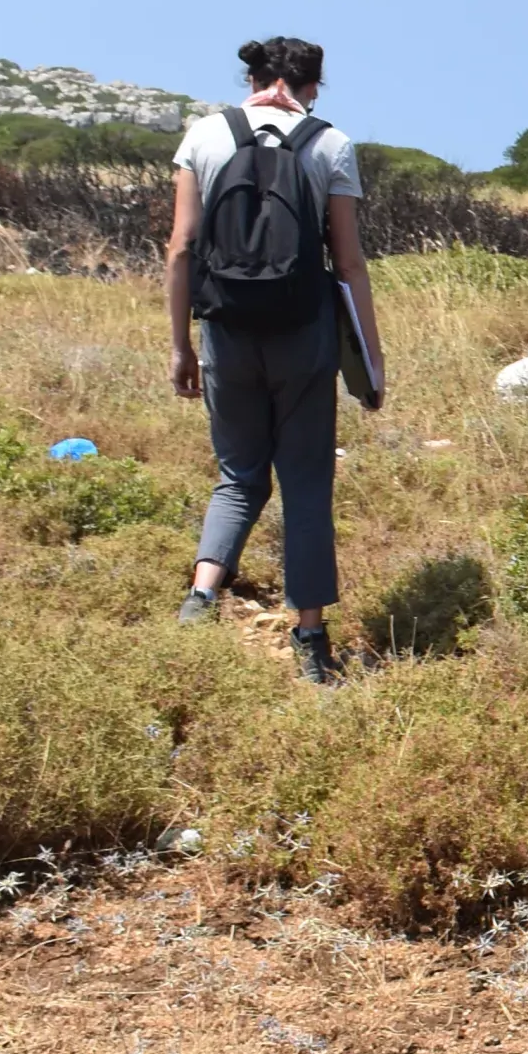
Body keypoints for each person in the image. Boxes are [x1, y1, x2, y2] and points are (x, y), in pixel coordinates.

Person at [164, 36, 385, 685]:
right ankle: (310, 640)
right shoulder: (330, 145)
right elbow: (347, 263)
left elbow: (181, 248)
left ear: (252, 76)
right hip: (305, 334)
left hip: (226, 332)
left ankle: (200, 598)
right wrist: (369, 362)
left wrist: (181, 344)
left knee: (238, 475)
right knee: (307, 485)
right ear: (311, 86)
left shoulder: (204, 136)